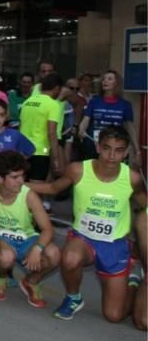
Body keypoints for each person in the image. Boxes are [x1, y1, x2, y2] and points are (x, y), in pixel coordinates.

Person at [28, 128, 146, 322]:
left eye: (118, 150)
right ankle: (73, 297)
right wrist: (17, 184)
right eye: (107, 148)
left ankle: (132, 283)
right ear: (98, 147)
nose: (111, 155)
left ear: (126, 153)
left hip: (115, 245)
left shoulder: (132, 178)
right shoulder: (78, 170)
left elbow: (145, 206)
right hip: (83, 239)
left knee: (114, 316)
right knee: (71, 257)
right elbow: (52, 188)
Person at [0, 150, 60, 306]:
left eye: (22, 176)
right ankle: (2, 277)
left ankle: (31, 281)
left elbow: (47, 229)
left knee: (54, 254)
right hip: (1, 238)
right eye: (14, 177)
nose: (20, 181)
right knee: (6, 257)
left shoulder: (29, 195)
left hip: (26, 239)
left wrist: (37, 249)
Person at [78, 70, 139, 164]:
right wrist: (81, 130)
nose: (105, 81)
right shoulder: (94, 101)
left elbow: (130, 126)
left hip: (115, 147)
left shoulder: (125, 105)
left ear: (117, 83)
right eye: (104, 79)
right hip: (94, 145)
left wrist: (137, 149)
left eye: (109, 79)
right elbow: (86, 119)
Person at [19, 72, 64, 185]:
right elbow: (51, 131)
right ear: (57, 88)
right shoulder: (53, 105)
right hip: (40, 151)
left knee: (21, 185)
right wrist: (55, 158)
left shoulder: (27, 102)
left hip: (22, 150)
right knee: (36, 187)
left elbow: (21, 124)